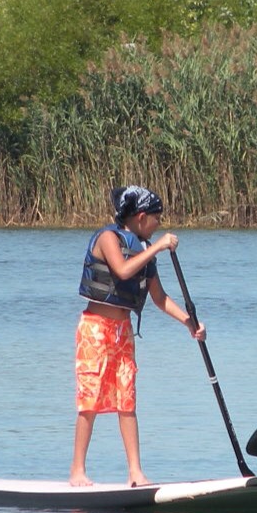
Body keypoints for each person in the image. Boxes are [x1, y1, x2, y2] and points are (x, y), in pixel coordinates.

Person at [70, 185, 205, 487]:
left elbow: (159, 298)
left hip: (123, 333)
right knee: (89, 400)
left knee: (127, 401)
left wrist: (189, 322)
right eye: (157, 218)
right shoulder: (109, 238)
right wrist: (157, 247)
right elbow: (121, 271)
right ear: (141, 217)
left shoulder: (143, 252)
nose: (159, 224)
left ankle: (136, 472)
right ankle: (77, 470)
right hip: (95, 330)